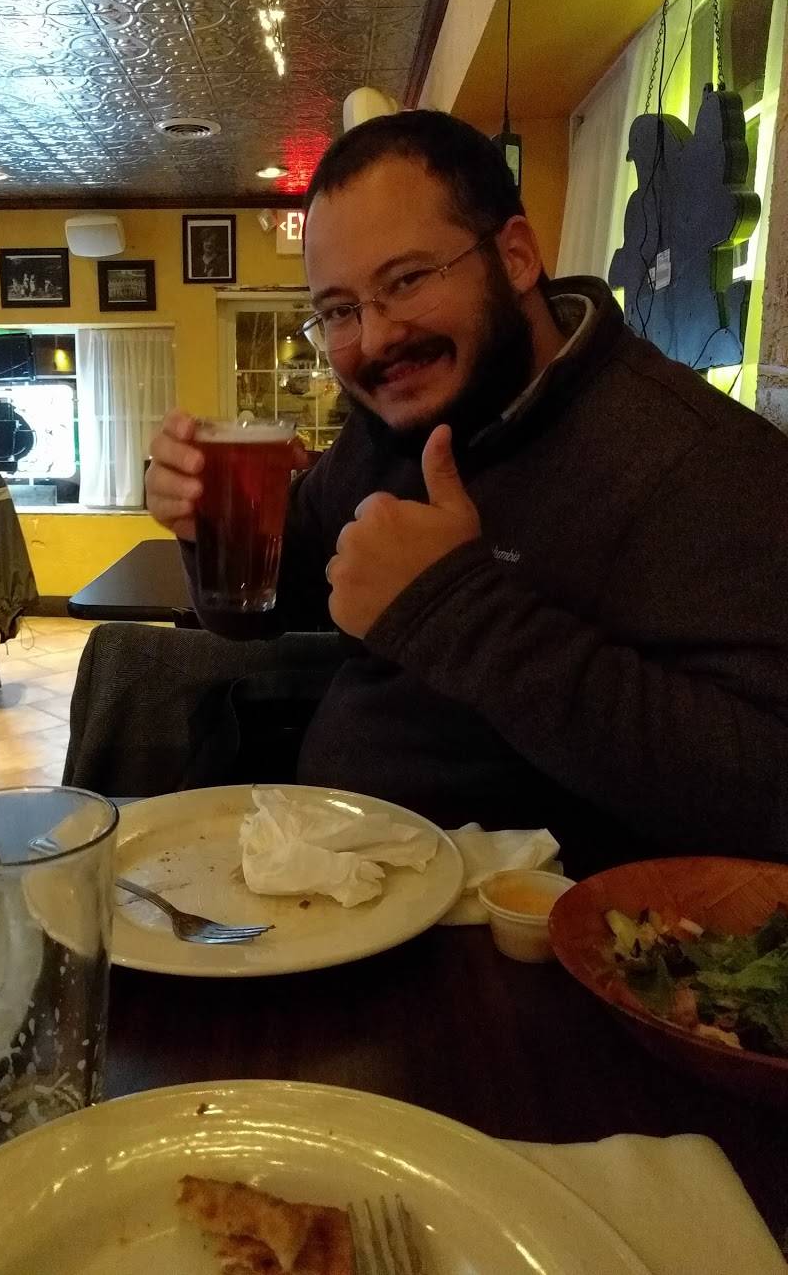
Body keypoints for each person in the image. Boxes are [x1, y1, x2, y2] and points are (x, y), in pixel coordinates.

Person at [146, 109, 788, 863]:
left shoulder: (704, 460)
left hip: (524, 916)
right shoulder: (392, 420)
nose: (376, 338)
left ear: (515, 257)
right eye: (340, 310)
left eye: (407, 280)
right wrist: (212, 523)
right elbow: (274, 603)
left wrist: (457, 608)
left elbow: (764, 794)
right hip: (320, 862)